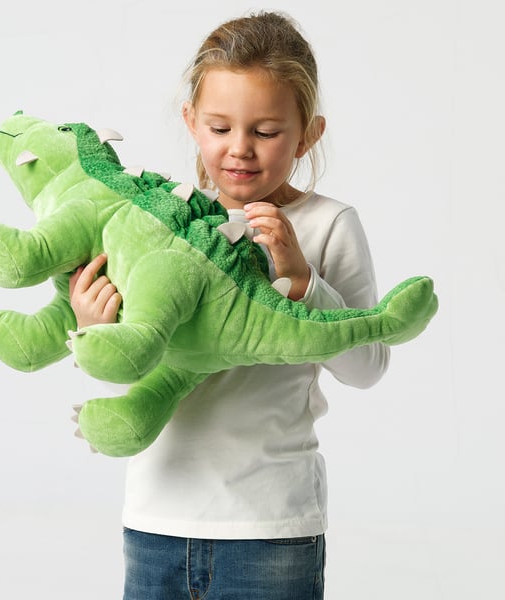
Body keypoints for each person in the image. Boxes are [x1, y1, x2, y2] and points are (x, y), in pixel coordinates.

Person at [69, 11, 390, 600]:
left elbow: (367, 366)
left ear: (308, 133)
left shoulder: (327, 225)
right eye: (219, 127)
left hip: (271, 530)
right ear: (191, 121)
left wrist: (302, 279)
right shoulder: (154, 223)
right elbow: (142, 364)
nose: (239, 149)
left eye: (265, 132)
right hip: (155, 519)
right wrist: (95, 329)